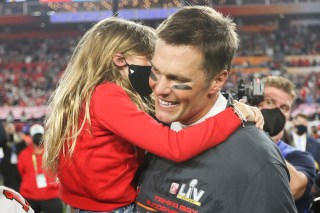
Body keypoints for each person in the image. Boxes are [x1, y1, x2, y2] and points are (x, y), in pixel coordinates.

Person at [42, 17, 263, 212]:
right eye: (149, 61)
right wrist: (235, 114)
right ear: (120, 60)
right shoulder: (107, 96)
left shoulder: (88, 94)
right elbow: (175, 147)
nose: (153, 71)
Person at [136, 6, 296, 213]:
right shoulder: (142, 126)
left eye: (177, 79)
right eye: (155, 72)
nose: (159, 89)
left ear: (217, 81)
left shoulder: (257, 160)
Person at [259, 76, 316, 213]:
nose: (277, 112)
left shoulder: (299, 157)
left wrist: (261, 136)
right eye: (270, 102)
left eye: (284, 107)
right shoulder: (230, 145)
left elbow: (292, 188)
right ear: (255, 104)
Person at [17, 124, 63, 213]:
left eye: (39, 135)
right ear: (30, 137)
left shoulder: (53, 152)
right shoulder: (24, 154)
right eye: (36, 135)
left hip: (51, 194)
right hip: (29, 196)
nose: (38, 137)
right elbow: (21, 172)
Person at [0, 122, 27, 191]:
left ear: (14, 128)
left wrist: (22, 141)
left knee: (18, 185)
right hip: (6, 166)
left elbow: (24, 150)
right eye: (8, 127)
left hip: (17, 166)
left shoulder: (19, 140)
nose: (9, 129)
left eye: (11, 127)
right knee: (8, 185)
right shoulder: (3, 141)